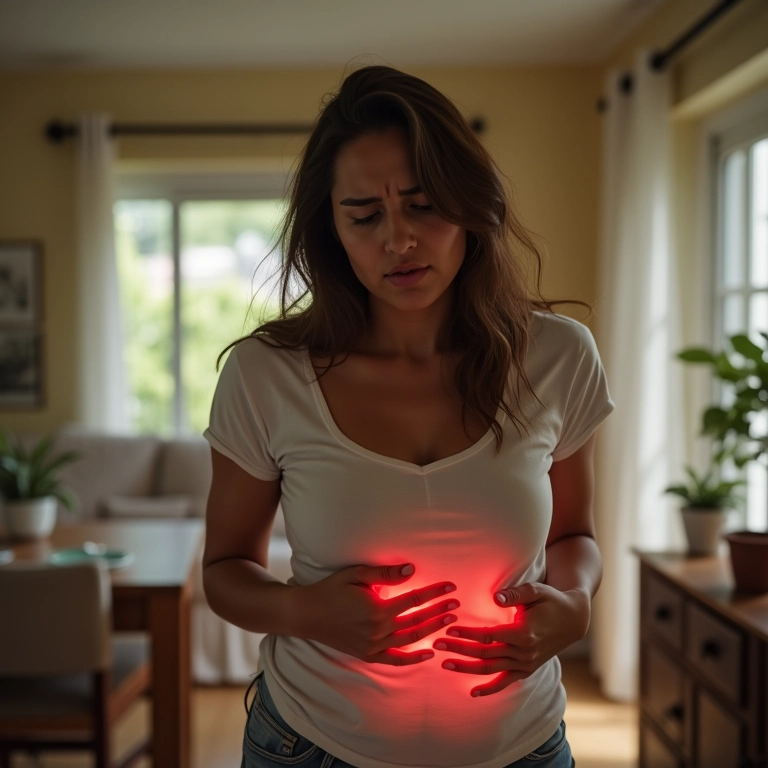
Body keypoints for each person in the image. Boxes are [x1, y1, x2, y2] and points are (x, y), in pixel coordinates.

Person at [202, 64, 615, 768]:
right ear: (331, 228)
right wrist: (308, 611)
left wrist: (574, 602)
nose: (398, 240)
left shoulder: (558, 357)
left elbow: (576, 536)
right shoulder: (265, 373)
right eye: (364, 216)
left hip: (521, 748)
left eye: (423, 206)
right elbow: (223, 571)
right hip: (310, 744)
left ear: (470, 204)